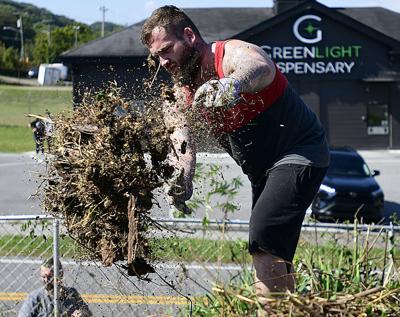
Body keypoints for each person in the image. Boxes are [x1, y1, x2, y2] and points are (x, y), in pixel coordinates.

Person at [140, 5, 330, 310]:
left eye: (166, 50)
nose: (162, 62)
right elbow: (182, 146)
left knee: (263, 235)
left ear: (188, 36)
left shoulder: (229, 55)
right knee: (276, 256)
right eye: (156, 57)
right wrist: (181, 180)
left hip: (300, 152)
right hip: (264, 174)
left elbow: (259, 67)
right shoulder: (179, 95)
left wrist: (233, 84)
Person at [18, 257, 92, 317]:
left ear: (61, 274)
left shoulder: (71, 293)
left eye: (50, 277)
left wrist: (81, 314)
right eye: (43, 277)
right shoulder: (35, 298)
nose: (46, 280)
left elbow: (87, 313)